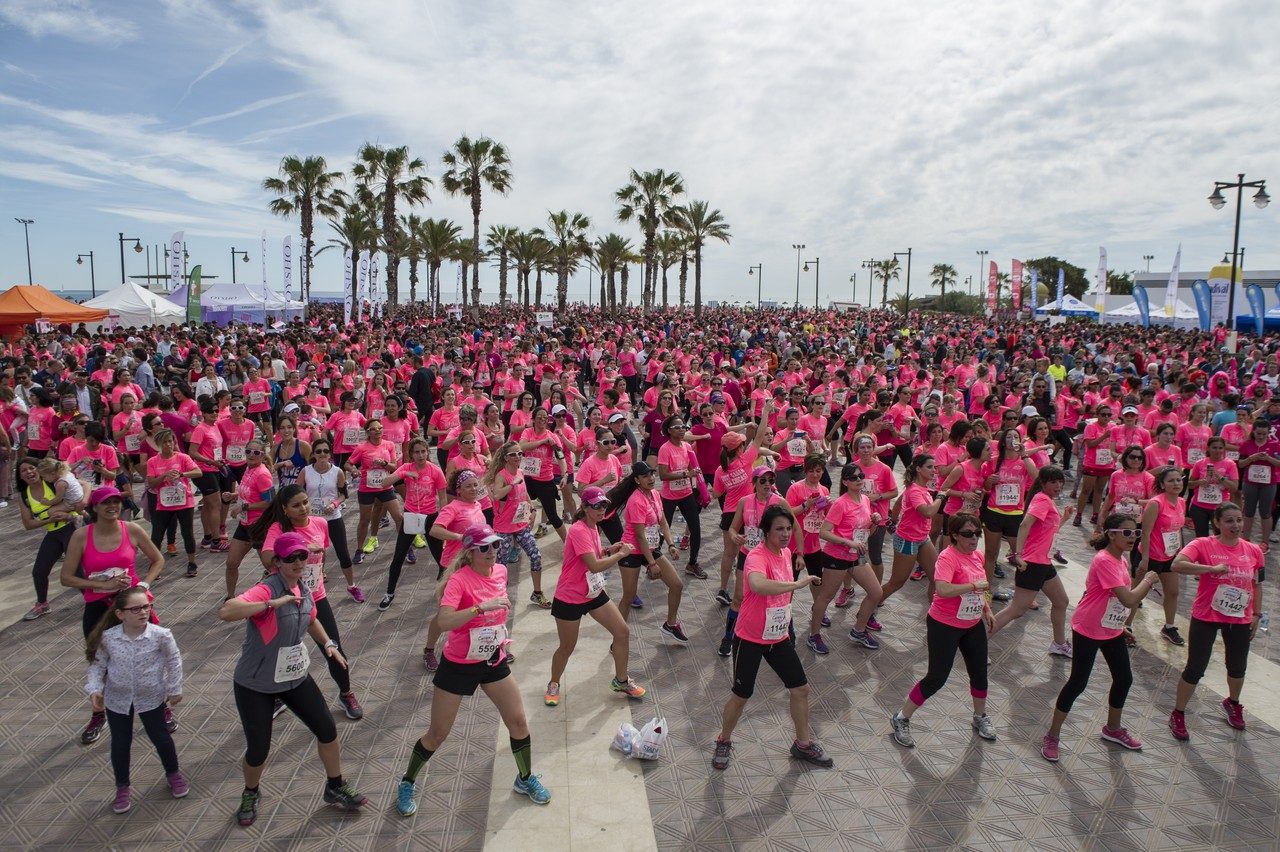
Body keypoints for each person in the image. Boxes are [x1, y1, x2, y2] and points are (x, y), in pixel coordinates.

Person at [396, 524, 551, 816]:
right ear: (470, 551)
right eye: (485, 547)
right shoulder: (459, 581)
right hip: (458, 665)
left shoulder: (501, 571)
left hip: (492, 659)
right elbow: (443, 622)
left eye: (495, 545)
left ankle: (525, 778)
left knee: (518, 721)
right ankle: (407, 781)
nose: (492, 551)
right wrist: (481, 608)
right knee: (438, 734)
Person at [218, 531, 367, 827]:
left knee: (327, 729)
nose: (300, 562)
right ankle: (251, 792)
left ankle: (335, 785)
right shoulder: (267, 589)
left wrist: (328, 645)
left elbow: (310, 618)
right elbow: (227, 610)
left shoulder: (303, 587)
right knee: (258, 749)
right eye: (292, 558)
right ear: (277, 562)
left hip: (293, 676)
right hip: (256, 683)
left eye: (303, 556)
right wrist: (271, 604)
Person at [712, 504, 831, 770]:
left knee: (800, 689)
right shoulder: (757, 556)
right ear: (766, 531)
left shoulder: (786, 552)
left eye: (789, 528)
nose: (786, 533)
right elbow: (757, 585)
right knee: (742, 695)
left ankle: (803, 744)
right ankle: (723, 740)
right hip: (750, 639)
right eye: (779, 529)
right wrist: (796, 584)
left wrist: (786, 623)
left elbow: (781, 598)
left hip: (777, 638)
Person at [1041, 513, 1159, 762]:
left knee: (1124, 678)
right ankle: (1052, 735)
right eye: (1126, 533)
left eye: (1136, 533)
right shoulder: (1105, 560)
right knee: (1078, 683)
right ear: (1112, 534)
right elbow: (1129, 598)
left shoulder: (1121, 560)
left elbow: (1118, 599)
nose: (1132, 538)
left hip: (1110, 629)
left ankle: (1112, 729)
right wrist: (1148, 580)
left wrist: (1120, 625)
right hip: (1088, 628)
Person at [60, 486, 165, 745]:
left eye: (117, 502)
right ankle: (99, 714)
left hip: (133, 606)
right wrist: (104, 585)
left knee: (149, 660)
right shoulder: (81, 536)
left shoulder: (132, 529)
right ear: (94, 508)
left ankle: (161, 709)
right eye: (106, 502)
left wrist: (144, 585)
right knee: (101, 663)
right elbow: (66, 578)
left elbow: (157, 560)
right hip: (98, 607)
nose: (113, 507)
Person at [252, 485, 363, 721]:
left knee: (333, 646)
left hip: (315, 597)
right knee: (280, 650)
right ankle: (279, 696)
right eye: (296, 505)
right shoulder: (278, 528)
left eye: (305, 502)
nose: (303, 508)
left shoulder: (320, 524)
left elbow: (320, 559)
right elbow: (266, 559)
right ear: (285, 509)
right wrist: (299, 548)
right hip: (286, 598)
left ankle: (346, 693)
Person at [890, 513, 997, 748]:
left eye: (977, 533)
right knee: (937, 678)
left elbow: (980, 589)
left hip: (971, 624)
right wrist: (972, 585)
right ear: (955, 536)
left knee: (979, 673)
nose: (974, 538)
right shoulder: (947, 558)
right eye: (968, 534)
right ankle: (901, 718)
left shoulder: (976, 556)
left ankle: (980, 717)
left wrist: (986, 608)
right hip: (944, 625)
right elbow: (943, 589)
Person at [84, 585, 187, 813]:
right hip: (117, 699)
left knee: (161, 737)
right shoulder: (109, 638)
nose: (143, 612)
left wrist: (174, 687)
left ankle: (173, 773)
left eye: (147, 607)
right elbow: (97, 666)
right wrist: (94, 689)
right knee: (120, 743)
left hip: (151, 697)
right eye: (135, 609)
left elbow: (174, 661)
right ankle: (122, 787)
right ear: (120, 614)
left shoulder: (161, 635)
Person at [1169, 502, 1265, 741]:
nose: (1236, 525)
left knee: (1237, 666)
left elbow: (1257, 584)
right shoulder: (1203, 544)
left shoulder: (1254, 550)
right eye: (1229, 521)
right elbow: (1177, 565)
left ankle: (1233, 703)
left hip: (1240, 618)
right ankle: (1178, 713)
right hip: (1206, 616)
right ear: (1217, 523)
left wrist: (1256, 614)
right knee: (1195, 668)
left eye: (1239, 520)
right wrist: (1210, 568)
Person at [544, 486, 644, 706]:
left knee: (622, 632)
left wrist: (609, 550)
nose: (601, 510)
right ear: (585, 508)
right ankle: (553, 683)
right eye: (597, 506)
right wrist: (620, 554)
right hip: (570, 597)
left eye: (604, 505)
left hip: (593, 592)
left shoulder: (593, 528)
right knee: (567, 647)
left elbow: (594, 556)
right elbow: (595, 566)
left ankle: (621, 680)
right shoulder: (579, 530)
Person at [992, 466, 1075, 656]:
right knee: (1017, 609)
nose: (1058, 485)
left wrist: (1064, 519)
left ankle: (1059, 644)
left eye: (1060, 481)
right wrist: (1018, 554)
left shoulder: (1047, 501)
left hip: (1044, 563)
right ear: (1043, 483)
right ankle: (977, 642)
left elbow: (1047, 532)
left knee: (1061, 601)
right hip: (1032, 563)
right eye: (1053, 482)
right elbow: (1025, 524)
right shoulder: (1042, 500)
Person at [606, 461, 687, 641]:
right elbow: (640, 537)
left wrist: (671, 544)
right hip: (632, 551)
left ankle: (671, 624)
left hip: (650, 547)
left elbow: (663, 522)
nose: (651, 478)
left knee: (677, 585)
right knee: (628, 596)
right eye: (645, 476)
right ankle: (618, 639)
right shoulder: (635, 500)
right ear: (636, 480)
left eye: (651, 474)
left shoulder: (655, 495)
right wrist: (652, 563)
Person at [816, 462, 884, 651]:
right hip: (836, 556)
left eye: (861, 476)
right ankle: (814, 635)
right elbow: (824, 532)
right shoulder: (840, 503)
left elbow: (865, 534)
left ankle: (859, 630)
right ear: (845, 481)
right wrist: (848, 542)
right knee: (826, 597)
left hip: (857, 555)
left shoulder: (865, 500)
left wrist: (874, 523)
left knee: (876, 592)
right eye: (854, 478)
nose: (859, 480)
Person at [379, 438, 448, 610]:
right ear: (411, 454)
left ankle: (446, 590)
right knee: (398, 557)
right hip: (410, 516)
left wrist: (444, 521)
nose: (420, 455)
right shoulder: (406, 468)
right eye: (416, 452)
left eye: (423, 451)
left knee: (441, 558)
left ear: (427, 452)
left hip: (430, 517)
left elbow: (443, 498)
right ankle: (389, 593)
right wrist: (403, 474)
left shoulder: (435, 471)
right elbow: (384, 483)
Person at [486, 440, 551, 608]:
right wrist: (511, 485)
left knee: (536, 556)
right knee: (501, 564)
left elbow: (525, 494)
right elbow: (496, 495)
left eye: (520, 453)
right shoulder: (502, 475)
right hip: (503, 528)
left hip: (520, 524)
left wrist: (532, 510)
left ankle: (537, 593)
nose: (517, 456)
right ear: (506, 458)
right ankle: (499, 596)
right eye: (513, 454)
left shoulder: (520, 472)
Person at [17, 456, 80, 621]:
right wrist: (49, 520)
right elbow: (28, 524)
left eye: (31, 468)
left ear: (40, 469)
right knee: (39, 571)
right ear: (20, 476)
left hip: (71, 528)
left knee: (77, 569)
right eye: (23, 470)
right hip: (53, 532)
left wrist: (78, 506)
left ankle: (98, 600)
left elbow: (84, 487)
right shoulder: (24, 495)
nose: (29, 472)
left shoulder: (53, 481)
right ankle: (42, 604)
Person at [878, 453, 945, 606]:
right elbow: (928, 512)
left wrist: (893, 519)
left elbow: (898, 504)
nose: (933, 470)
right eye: (929, 467)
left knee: (937, 576)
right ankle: (871, 605)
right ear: (918, 469)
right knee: (897, 582)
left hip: (922, 538)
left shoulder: (921, 488)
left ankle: (935, 614)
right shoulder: (915, 490)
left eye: (934, 467)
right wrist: (940, 498)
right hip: (907, 540)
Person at [296, 438, 358, 598]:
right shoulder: (306, 471)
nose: (322, 454)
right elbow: (296, 493)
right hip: (312, 520)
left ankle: (352, 586)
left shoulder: (337, 471)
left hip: (333, 518)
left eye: (325, 451)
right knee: (314, 554)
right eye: (318, 451)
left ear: (330, 453)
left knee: (343, 552)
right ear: (313, 454)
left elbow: (344, 494)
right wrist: (304, 505)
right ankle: (311, 591)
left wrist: (335, 504)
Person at [1135, 466, 1188, 647]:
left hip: (1170, 555)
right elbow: (1146, 532)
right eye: (1171, 481)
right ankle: (1124, 626)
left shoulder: (1181, 502)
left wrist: (1181, 552)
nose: (1176, 483)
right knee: (1136, 594)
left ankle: (1169, 627)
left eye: (1178, 480)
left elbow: (1178, 529)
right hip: (1151, 555)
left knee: (1173, 592)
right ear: (1162, 484)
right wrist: (1145, 558)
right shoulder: (1156, 503)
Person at [144, 428, 201, 579]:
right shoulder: (153, 461)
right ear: (158, 444)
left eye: (170, 441)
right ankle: (154, 565)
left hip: (184, 502)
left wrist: (182, 474)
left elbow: (198, 472)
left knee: (187, 533)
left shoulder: (182, 457)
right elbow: (151, 484)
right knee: (157, 535)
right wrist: (164, 476)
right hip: (163, 504)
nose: (168, 445)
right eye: (164, 442)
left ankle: (192, 563)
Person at [657, 415, 706, 579]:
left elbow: (695, 470)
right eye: (677, 427)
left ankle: (692, 563)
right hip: (669, 497)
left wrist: (703, 491)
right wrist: (686, 474)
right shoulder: (665, 448)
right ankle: (654, 563)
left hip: (686, 494)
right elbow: (663, 475)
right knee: (663, 530)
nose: (682, 429)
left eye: (683, 427)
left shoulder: (687, 447)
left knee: (696, 529)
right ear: (669, 431)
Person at [224, 438, 274, 598]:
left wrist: (244, 507)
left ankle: (279, 594)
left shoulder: (263, 474)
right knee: (231, 563)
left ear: (262, 455)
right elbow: (248, 493)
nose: (251, 455)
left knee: (271, 566)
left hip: (259, 526)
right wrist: (233, 495)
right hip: (245, 525)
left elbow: (270, 502)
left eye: (256, 452)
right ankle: (230, 597)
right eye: (248, 451)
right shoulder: (248, 468)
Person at [1237, 418, 1280, 550]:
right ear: (1253, 432)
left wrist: (1268, 458)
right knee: (1248, 511)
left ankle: (1264, 542)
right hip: (1250, 482)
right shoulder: (1246, 444)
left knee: (1265, 512)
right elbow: (1240, 464)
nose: (1261, 436)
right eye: (1258, 433)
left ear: (1268, 433)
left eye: (1264, 434)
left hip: (1268, 483)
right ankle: (1245, 539)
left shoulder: (1275, 444)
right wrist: (1251, 458)